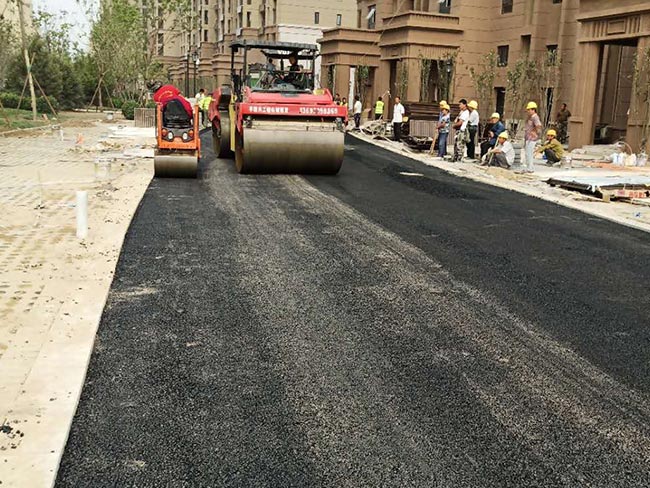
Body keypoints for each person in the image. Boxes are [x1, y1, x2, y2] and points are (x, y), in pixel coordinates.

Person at [522, 101, 542, 173]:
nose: (528, 111)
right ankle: (529, 168)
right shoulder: (531, 117)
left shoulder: (535, 117)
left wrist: (534, 132)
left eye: (529, 110)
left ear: (533, 109)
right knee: (527, 153)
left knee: (529, 153)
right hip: (528, 138)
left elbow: (538, 126)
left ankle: (530, 168)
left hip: (532, 139)